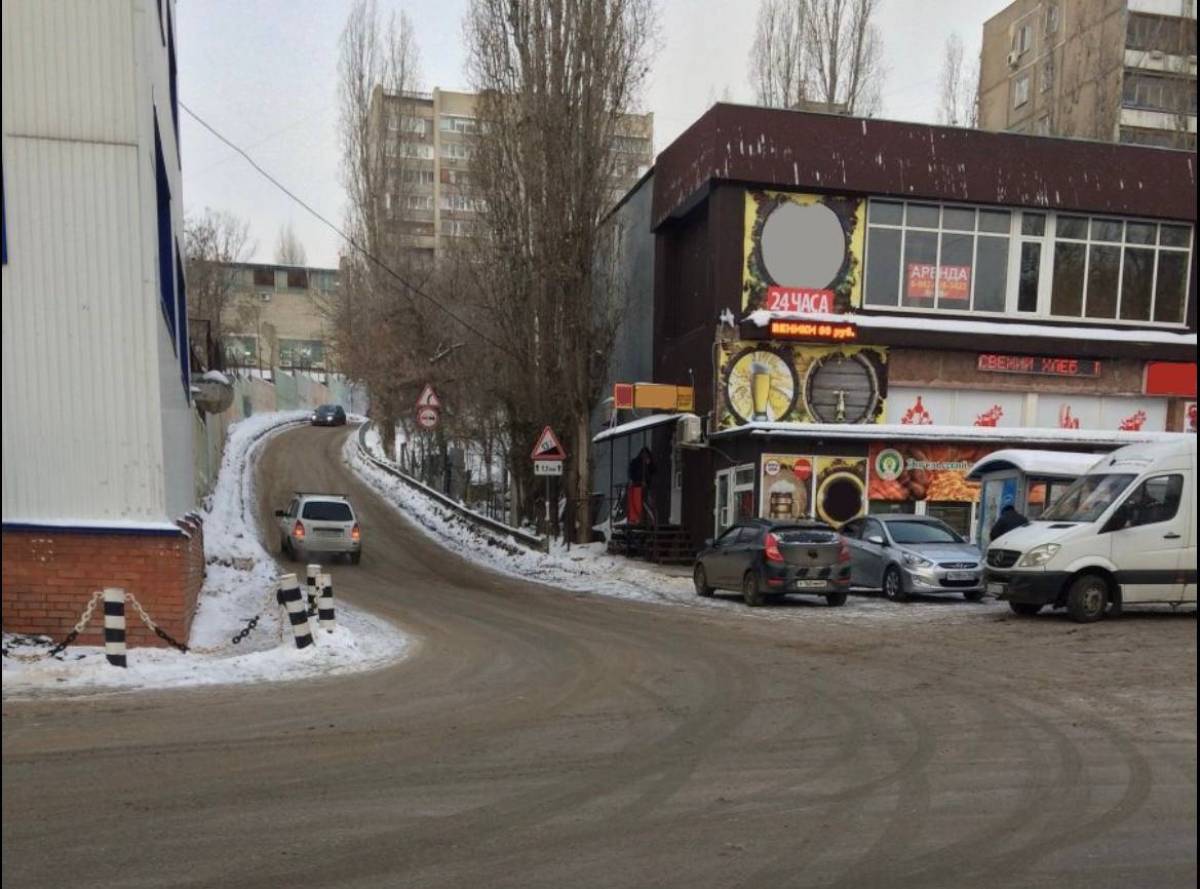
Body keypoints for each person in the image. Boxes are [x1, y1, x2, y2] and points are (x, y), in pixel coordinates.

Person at [626, 447, 656, 526]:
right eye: (644, 454)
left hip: (646, 486)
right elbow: (631, 474)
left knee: (645, 504)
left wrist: (649, 464)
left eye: (646, 455)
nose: (645, 456)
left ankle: (645, 520)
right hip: (637, 486)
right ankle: (638, 519)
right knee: (639, 504)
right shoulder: (636, 462)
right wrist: (639, 480)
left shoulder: (648, 463)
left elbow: (653, 471)